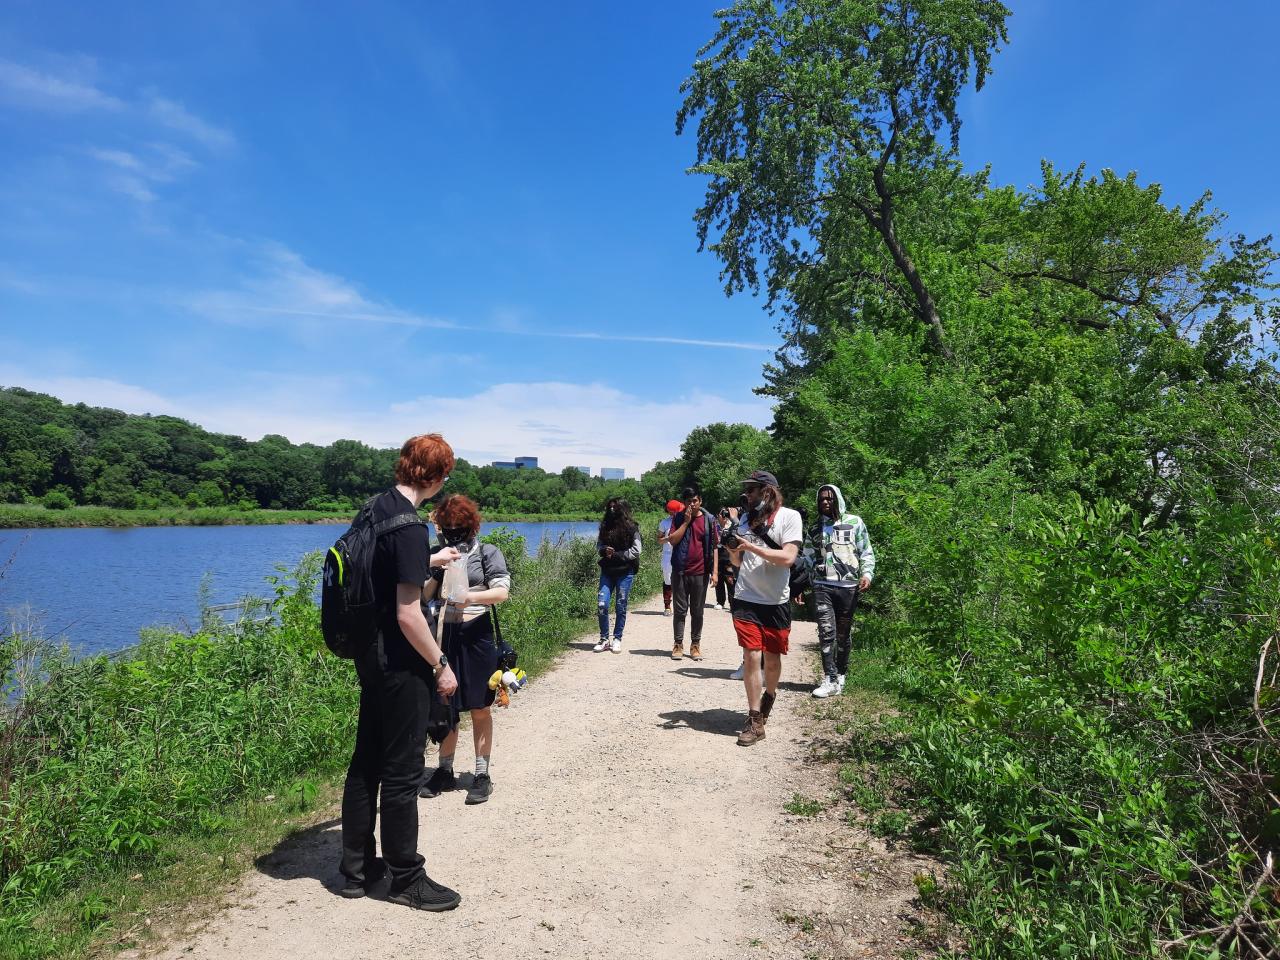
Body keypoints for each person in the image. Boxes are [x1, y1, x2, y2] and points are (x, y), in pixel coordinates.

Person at [339, 433, 463, 911]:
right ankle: (406, 877)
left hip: (369, 656)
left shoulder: (374, 509)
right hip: (401, 662)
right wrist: (441, 664)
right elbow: (410, 614)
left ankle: (355, 871)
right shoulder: (410, 525)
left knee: (366, 760)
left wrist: (428, 560)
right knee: (403, 771)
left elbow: (379, 571)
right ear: (434, 476)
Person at [419, 494, 511, 804]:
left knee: (480, 706)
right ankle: (444, 769)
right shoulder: (438, 554)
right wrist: (438, 567)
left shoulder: (488, 553)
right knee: (446, 704)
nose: (454, 533)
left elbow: (501, 592)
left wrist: (468, 596)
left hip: (477, 634)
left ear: (471, 527)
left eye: (459, 527)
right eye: (448, 527)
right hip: (445, 634)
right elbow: (423, 596)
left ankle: (482, 773)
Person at [723, 470, 803, 746]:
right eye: (747, 490)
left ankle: (770, 695)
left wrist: (751, 547)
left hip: (776, 601)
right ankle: (755, 719)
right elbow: (737, 564)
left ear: (767, 491)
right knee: (751, 655)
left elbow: (788, 557)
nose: (747, 495)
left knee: (772, 660)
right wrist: (733, 550)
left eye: (752, 490)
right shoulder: (745, 520)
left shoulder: (789, 517)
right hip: (746, 598)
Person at [806, 484, 875, 698]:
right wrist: (805, 582)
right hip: (822, 585)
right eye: (821, 499)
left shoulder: (855, 523)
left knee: (843, 635)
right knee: (827, 632)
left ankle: (841, 672)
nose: (825, 502)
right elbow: (807, 556)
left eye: (829, 498)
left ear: (838, 499)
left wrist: (867, 574)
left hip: (848, 586)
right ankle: (830, 678)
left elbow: (866, 551)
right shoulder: (814, 528)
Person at [667, 486, 719, 660]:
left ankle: (695, 644)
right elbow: (673, 541)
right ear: (684, 502)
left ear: (700, 501)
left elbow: (714, 547)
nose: (692, 504)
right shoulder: (679, 518)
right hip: (680, 571)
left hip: (700, 572)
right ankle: (678, 644)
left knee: (697, 611)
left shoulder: (708, 520)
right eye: (688, 501)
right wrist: (686, 522)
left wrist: (715, 571)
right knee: (680, 610)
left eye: (695, 500)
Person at [594, 497, 642, 653]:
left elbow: (637, 550)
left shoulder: (632, 527)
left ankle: (617, 638)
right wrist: (604, 550)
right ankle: (604, 639)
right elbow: (599, 545)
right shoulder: (604, 526)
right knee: (602, 604)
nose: (612, 510)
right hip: (607, 571)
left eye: (615, 507)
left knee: (621, 605)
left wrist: (618, 555)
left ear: (623, 509)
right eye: (610, 507)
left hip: (625, 571)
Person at [657, 499, 683, 617]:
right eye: (673, 511)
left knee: (682, 581)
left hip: (681, 554)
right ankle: (667, 606)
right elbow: (659, 540)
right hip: (668, 555)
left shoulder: (684, 522)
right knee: (668, 580)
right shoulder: (664, 523)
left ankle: (681, 606)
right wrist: (668, 538)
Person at [713, 506, 738, 610]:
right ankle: (720, 601)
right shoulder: (714, 526)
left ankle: (733, 604)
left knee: (730, 579)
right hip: (717, 555)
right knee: (718, 579)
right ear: (718, 516)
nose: (723, 516)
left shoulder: (732, 525)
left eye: (725, 514)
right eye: (721, 514)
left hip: (729, 555)